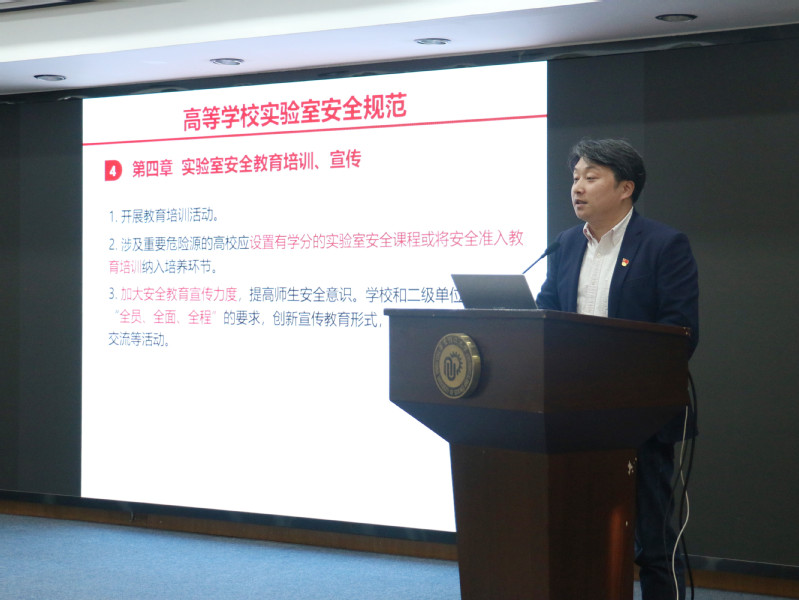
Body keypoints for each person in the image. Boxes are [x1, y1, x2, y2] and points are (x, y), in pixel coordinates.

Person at [536, 138, 699, 600]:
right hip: (572, 416)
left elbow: (680, 332)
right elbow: (546, 315)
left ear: (625, 188)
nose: (577, 187)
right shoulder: (566, 244)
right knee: (580, 536)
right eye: (575, 178)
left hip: (639, 416)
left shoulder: (664, 245)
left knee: (653, 541)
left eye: (591, 177)